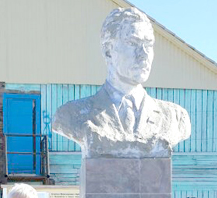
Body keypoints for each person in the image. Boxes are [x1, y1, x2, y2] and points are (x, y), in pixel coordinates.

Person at [51, 7, 190, 158]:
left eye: (148, 45)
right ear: (108, 51)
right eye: (132, 43)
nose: (144, 54)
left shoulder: (175, 117)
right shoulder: (71, 114)